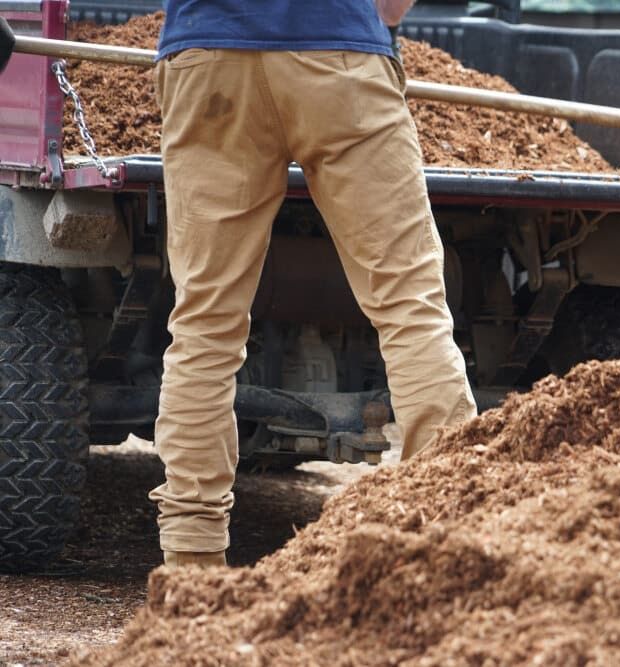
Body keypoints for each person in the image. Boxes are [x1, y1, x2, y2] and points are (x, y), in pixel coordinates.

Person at [148, 0, 477, 569]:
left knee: (205, 324)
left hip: (208, 59)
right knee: (410, 308)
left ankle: (191, 560)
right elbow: (394, 6)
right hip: (338, 54)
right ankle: (451, 541)